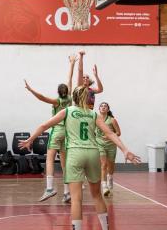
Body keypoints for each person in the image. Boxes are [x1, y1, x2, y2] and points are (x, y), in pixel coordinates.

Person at [19, 86, 140, 230]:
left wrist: (30, 139)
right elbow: (110, 134)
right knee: (97, 196)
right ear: (88, 98)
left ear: (73, 98)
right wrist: (125, 150)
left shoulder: (68, 111)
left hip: (75, 154)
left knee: (76, 199)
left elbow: (44, 125)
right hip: (93, 153)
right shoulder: (94, 114)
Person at [24, 54, 77, 203]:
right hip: (68, 133)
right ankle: (67, 193)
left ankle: (49, 188)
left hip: (57, 131)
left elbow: (41, 97)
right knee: (65, 163)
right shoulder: (70, 99)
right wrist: (72, 63)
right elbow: (70, 79)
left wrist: (30, 90)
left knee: (49, 158)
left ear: (58, 92)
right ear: (67, 91)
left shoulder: (56, 101)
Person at [96, 102, 121, 196]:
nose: (103, 107)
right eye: (101, 106)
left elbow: (118, 133)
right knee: (103, 164)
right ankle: (104, 186)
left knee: (111, 165)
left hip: (111, 145)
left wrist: (110, 136)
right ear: (99, 109)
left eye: (105, 106)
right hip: (100, 144)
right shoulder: (96, 119)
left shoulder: (112, 120)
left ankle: (110, 177)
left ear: (108, 109)